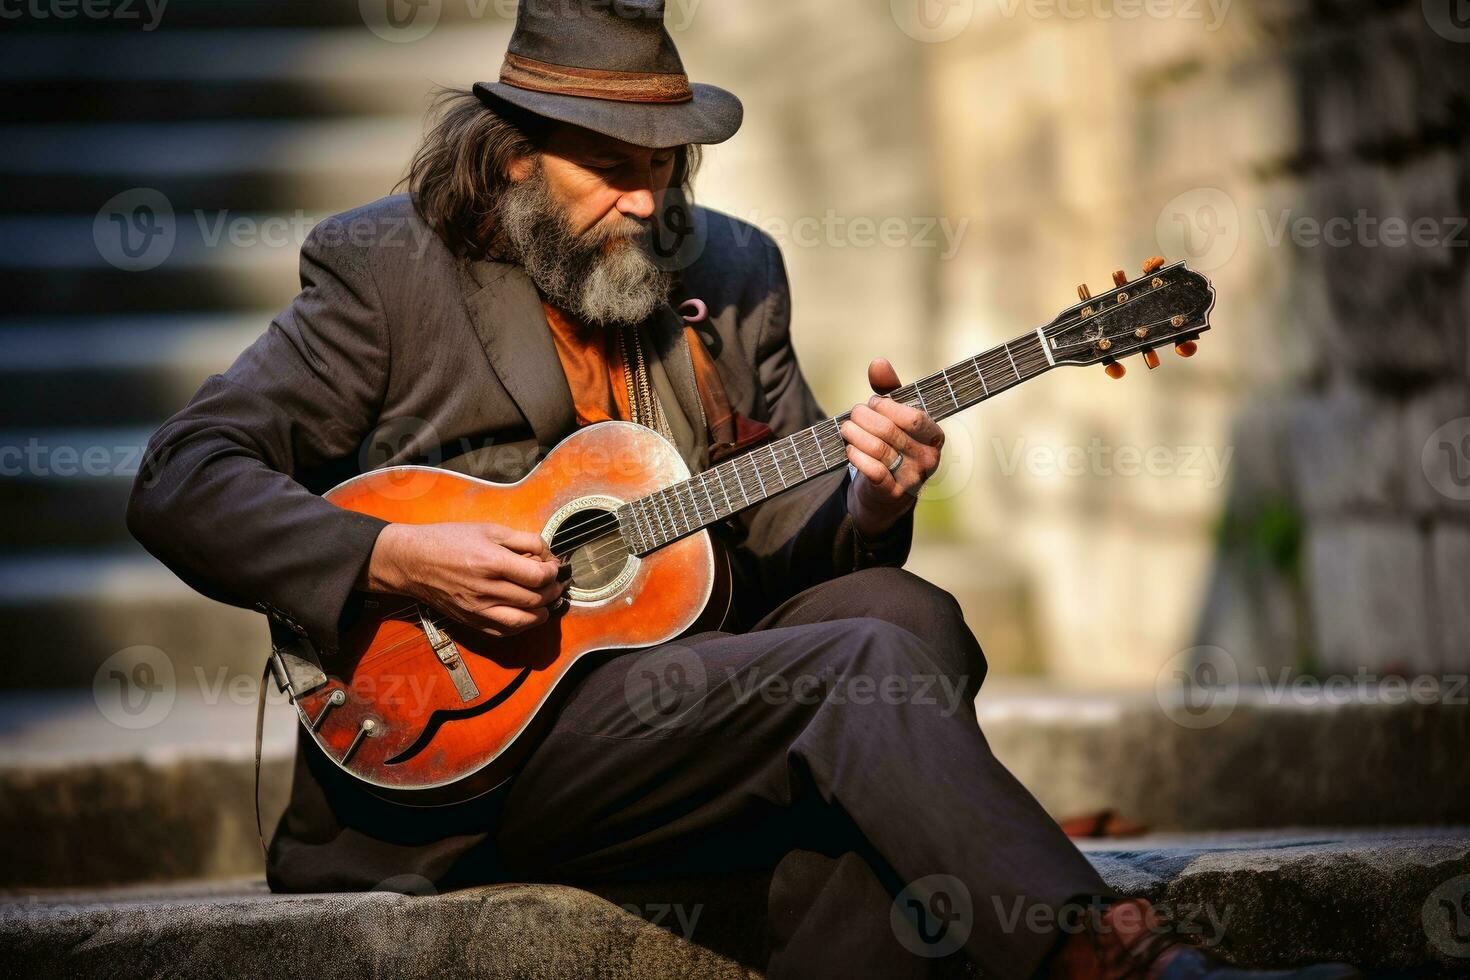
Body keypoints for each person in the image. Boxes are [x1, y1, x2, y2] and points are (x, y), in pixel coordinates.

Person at [127, 3, 1362, 978]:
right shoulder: (386, 274)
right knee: (853, 680)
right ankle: (1103, 954)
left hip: (683, 715)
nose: (652, 201)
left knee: (911, 615)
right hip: (467, 754)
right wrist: (398, 560)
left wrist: (872, 497)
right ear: (511, 162)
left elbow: (785, 545)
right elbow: (183, 479)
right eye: (611, 168)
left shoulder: (731, 270)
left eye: (671, 165)